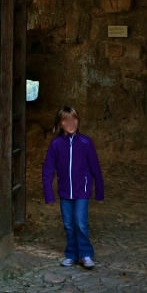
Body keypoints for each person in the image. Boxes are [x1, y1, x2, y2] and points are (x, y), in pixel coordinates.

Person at [42, 106, 104, 268]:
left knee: (80, 223)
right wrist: (48, 193)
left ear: (77, 121)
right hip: (65, 191)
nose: (70, 123)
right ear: (60, 123)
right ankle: (71, 254)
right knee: (68, 224)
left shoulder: (86, 142)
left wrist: (99, 191)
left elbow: (95, 167)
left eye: (73, 119)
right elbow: (48, 169)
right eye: (66, 120)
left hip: (82, 190)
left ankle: (86, 254)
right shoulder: (55, 144)